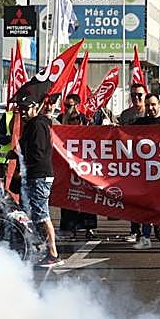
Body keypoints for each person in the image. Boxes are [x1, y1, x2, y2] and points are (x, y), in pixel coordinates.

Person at [129, 94, 160, 250]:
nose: (151, 108)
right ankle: (146, 237)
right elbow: (123, 136)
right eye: (148, 105)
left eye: (153, 104)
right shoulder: (139, 124)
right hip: (145, 173)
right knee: (146, 207)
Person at [18, 94, 60, 266]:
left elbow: (39, 152)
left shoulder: (37, 125)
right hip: (37, 174)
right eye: (21, 109)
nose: (22, 112)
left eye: (26, 109)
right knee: (38, 214)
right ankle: (48, 250)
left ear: (35, 108)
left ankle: (53, 253)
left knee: (42, 215)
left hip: (39, 175)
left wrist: (25, 161)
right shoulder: (34, 124)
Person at [56, 92, 97, 240]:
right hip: (66, 164)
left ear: (78, 106)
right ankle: (69, 227)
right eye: (65, 105)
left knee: (88, 195)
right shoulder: (60, 119)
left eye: (69, 105)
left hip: (84, 164)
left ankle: (89, 227)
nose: (66, 108)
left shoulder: (85, 121)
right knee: (67, 195)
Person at [118, 83, 148, 244]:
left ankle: (153, 230)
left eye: (140, 95)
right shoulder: (125, 115)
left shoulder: (150, 112)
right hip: (131, 163)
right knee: (132, 199)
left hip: (151, 164)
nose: (136, 98)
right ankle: (135, 230)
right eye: (133, 95)